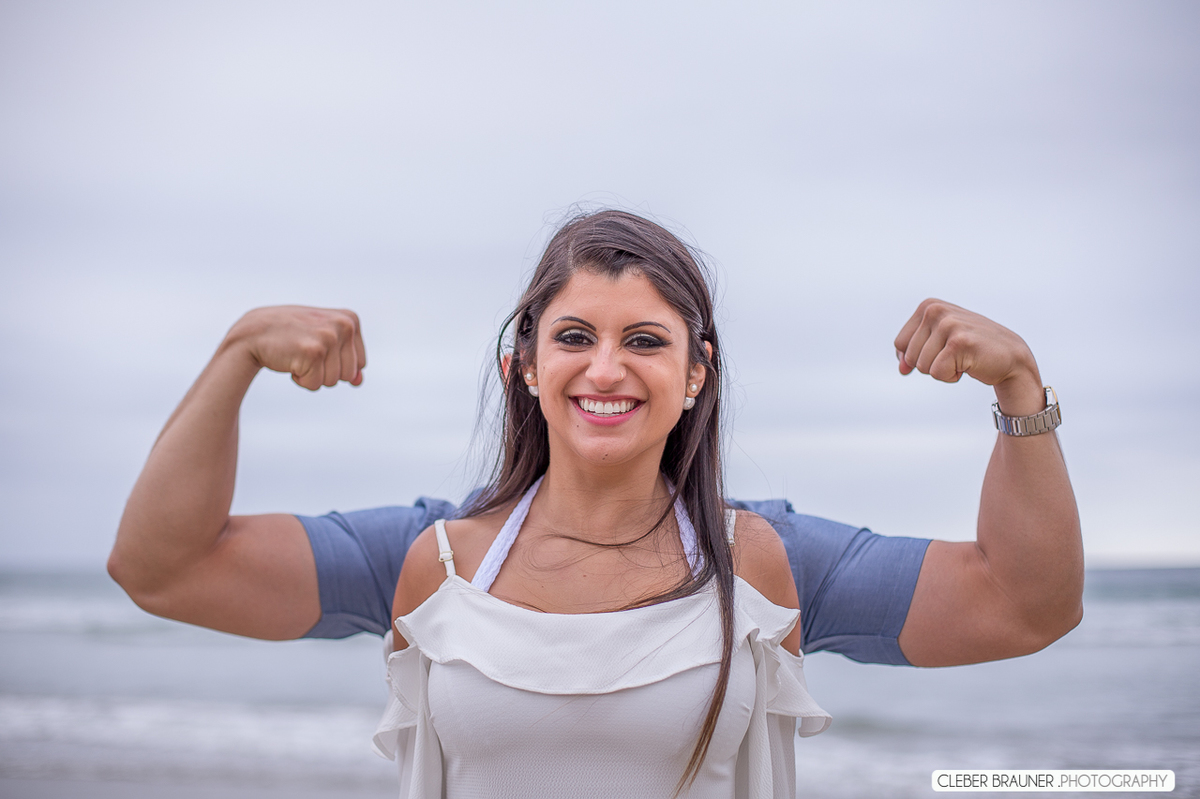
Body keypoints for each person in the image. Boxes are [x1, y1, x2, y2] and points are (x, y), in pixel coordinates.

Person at [108, 210, 1083, 797]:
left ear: (698, 373)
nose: (606, 367)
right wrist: (235, 355)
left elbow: (1023, 604)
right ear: (523, 364)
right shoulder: (429, 561)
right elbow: (165, 566)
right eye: (574, 335)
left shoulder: (767, 563)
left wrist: (1022, 393)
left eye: (647, 341)